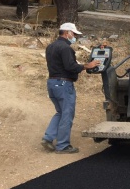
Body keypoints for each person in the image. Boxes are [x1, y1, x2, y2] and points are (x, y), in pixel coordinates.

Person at [42, 23, 99, 154]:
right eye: (73, 34)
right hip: (63, 84)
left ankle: (48, 138)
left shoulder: (50, 47)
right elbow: (70, 66)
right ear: (67, 32)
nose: (74, 36)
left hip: (52, 83)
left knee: (60, 112)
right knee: (67, 114)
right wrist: (87, 66)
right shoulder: (66, 48)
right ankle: (62, 145)